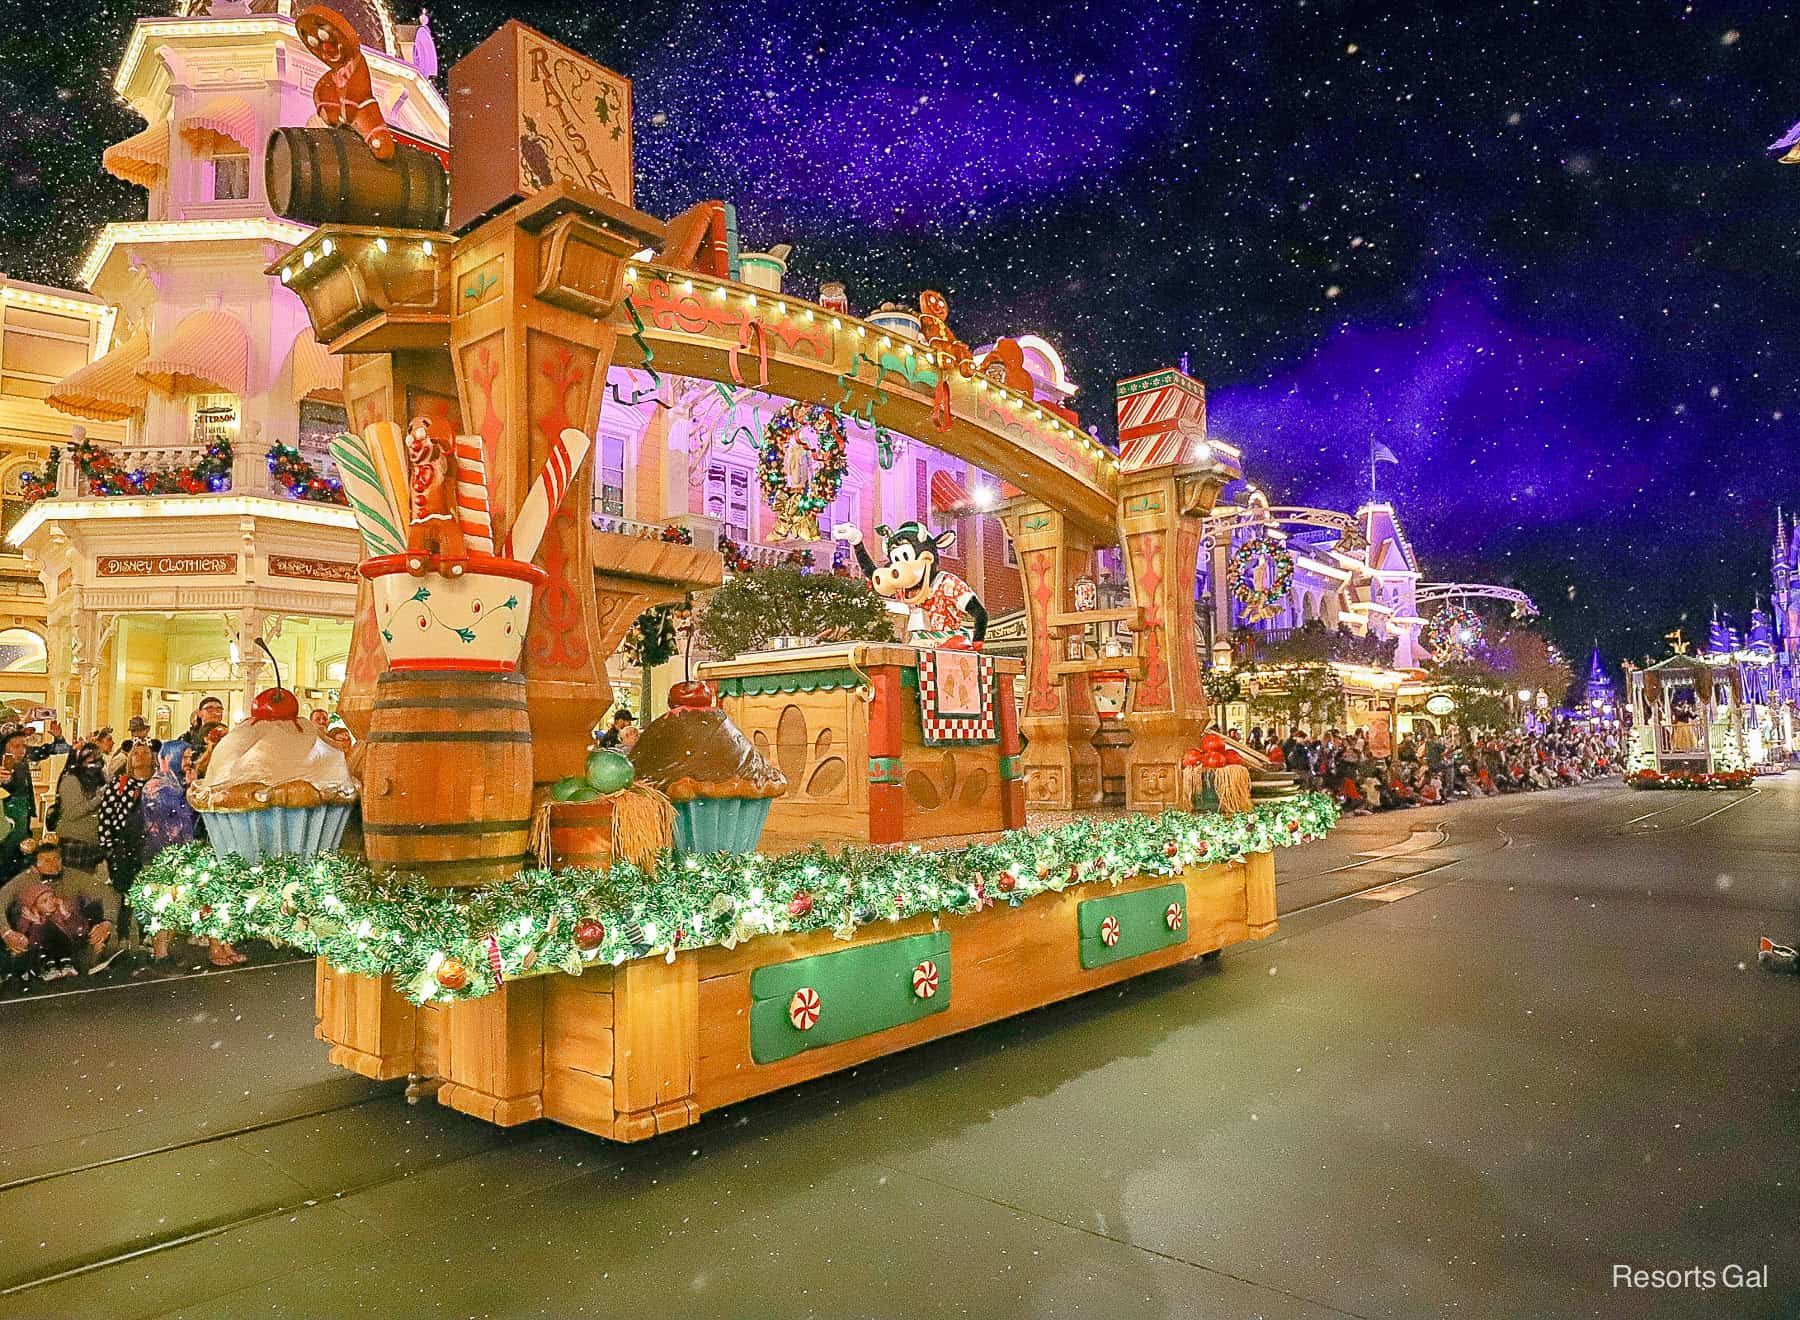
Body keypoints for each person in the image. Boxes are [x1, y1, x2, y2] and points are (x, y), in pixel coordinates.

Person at [0, 839, 116, 984]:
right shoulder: (23, 880)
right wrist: (6, 933)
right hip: (34, 936)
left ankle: (91, 956)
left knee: (94, 908)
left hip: (69, 932)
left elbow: (105, 894)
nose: (54, 864)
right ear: (36, 865)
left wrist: (107, 922)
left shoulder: (73, 877)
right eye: (47, 861)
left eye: (57, 859)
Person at [47, 745, 113, 919]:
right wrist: (97, 799)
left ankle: (79, 926)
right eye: (90, 762)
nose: (94, 766)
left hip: (91, 842)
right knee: (69, 889)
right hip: (73, 841)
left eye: (98, 761)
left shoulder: (99, 780)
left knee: (85, 890)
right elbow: (72, 812)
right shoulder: (71, 780)